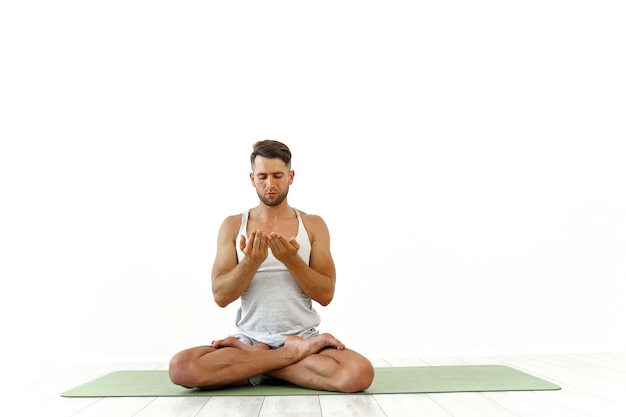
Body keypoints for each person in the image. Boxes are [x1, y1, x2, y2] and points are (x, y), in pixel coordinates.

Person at [168, 140, 374, 393]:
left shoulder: (313, 224)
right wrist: (251, 263)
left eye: (278, 176)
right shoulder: (233, 225)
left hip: (301, 338)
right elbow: (221, 296)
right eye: (263, 177)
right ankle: (287, 359)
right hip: (251, 341)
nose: (270, 184)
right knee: (181, 367)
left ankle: (255, 366)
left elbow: (325, 295)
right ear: (252, 178)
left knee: (358, 373)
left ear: (291, 176)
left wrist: (292, 261)